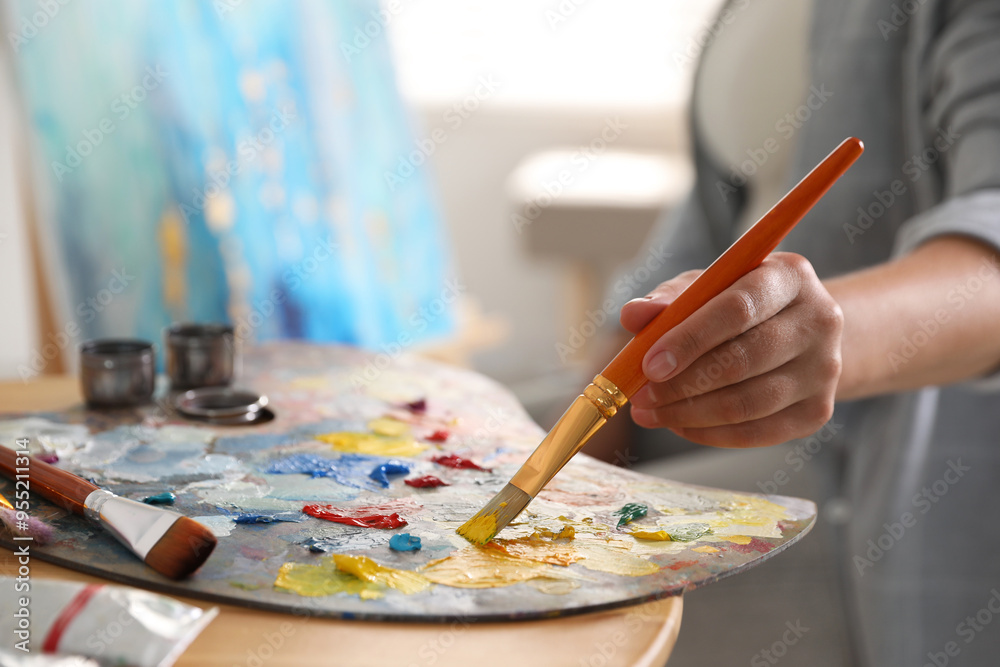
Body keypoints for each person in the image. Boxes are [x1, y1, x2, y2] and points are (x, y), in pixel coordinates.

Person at [611, 0, 1000, 665]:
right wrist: (592, 403)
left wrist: (827, 337)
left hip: (876, 481)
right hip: (695, 412)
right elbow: (717, 212)